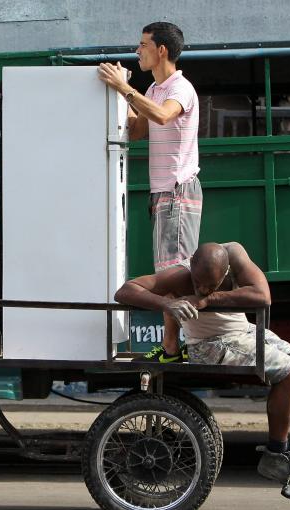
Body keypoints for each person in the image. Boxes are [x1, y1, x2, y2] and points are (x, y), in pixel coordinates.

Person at [114, 242, 290, 510]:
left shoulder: (235, 254)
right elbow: (125, 290)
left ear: (225, 275)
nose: (200, 289)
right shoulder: (180, 274)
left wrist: (209, 299)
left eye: (209, 285)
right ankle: (276, 454)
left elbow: (263, 296)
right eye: (197, 283)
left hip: (245, 333)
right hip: (211, 343)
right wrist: (168, 303)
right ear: (191, 268)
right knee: (288, 372)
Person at [98, 21, 202, 363]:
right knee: (168, 274)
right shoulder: (155, 90)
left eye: (143, 44)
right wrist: (121, 88)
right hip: (163, 195)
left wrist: (125, 90)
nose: (137, 50)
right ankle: (173, 347)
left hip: (176, 191)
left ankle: (175, 348)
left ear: (161, 50)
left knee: (173, 273)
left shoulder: (179, 88)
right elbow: (138, 129)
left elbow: (160, 116)